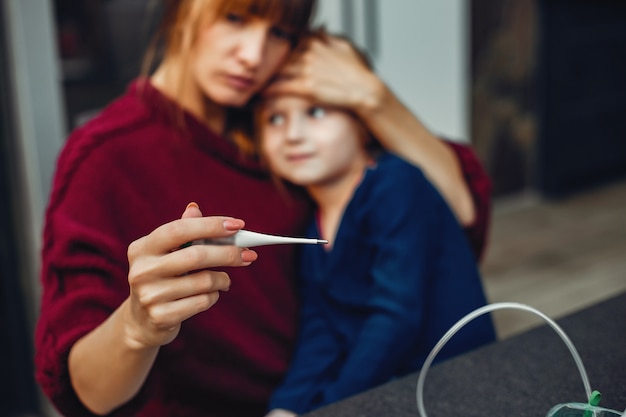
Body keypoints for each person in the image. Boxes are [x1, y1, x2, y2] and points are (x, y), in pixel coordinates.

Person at [34, 1, 491, 416]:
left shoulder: (294, 127)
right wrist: (136, 327)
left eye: (281, 33)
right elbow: (83, 394)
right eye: (235, 17)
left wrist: (374, 99)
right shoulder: (102, 160)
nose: (254, 56)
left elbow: (452, 225)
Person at [256, 38, 496, 416]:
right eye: (274, 118)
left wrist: (333, 404)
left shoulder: (395, 185)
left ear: (364, 125)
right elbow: (320, 329)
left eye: (316, 111)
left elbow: (396, 315)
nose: (292, 134)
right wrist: (286, 406)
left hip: (453, 383)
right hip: (382, 382)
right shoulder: (310, 226)